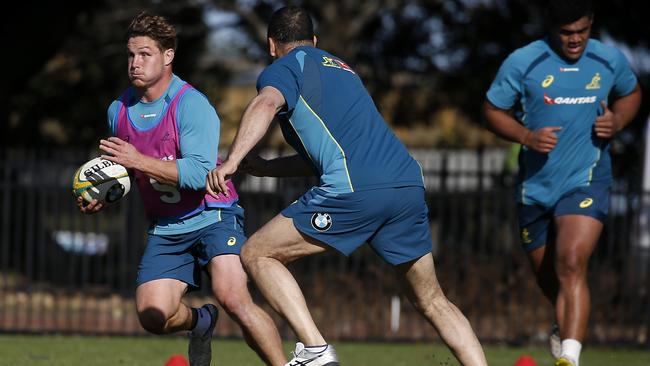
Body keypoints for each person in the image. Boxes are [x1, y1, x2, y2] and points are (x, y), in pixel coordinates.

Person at [206, 6, 488, 366]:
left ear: (272, 44)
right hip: (406, 185)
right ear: (315, 40)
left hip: (357, 189)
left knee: (257, 253)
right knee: (433, 300)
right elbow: (327, 154)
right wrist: (267, 169)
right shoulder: (341, 68)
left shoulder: (283, 69)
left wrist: (232, 160)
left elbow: (265, 103)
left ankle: (314, 351)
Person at [76, 11, 286, 366]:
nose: (135, 63)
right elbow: (124, 169)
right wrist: (105, 193)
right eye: (131, 54)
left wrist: (138, 160)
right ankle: (200, 320)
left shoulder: (191, 105)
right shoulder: (119, 110)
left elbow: (200, 173)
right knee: (153, 316)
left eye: (145, 54)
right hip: (167, 227)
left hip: (213, 214)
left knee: (232, 296)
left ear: (168, 56)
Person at [482, 1, 641, 365]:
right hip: (535, 188)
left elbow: (631, 94)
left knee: (571, 263)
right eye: (566, 33)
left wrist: (617, 121)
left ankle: (568, 358)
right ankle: (565, 322)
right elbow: (491, 110)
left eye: (582, 32)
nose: (575, 40)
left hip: (587, 179)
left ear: (591, 25)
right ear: (551, 29)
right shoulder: (524, 62)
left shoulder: (608, 60)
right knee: (550, 279)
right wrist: (525, 136)